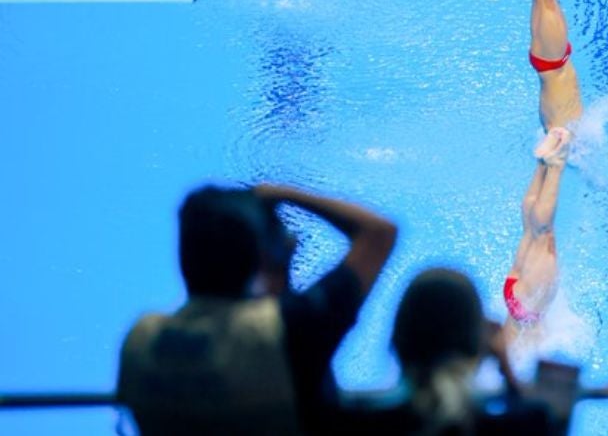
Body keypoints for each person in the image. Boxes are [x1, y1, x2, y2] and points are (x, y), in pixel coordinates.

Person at [117, 183, 398, 435]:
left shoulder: (141, 339)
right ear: (258, 258)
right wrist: (279, 192)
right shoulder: (281, 332)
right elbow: (378, 233)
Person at [504, 0, 583, 336]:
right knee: (534, 228)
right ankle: (545, 163)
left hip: (554, 79)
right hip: (518, 296)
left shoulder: (557, 49)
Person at [345, 268, 553, 435]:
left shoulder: (353, 418)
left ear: (398, 340)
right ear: (480, 346)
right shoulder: (518, 425)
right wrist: (508, 374)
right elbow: (540, 416)